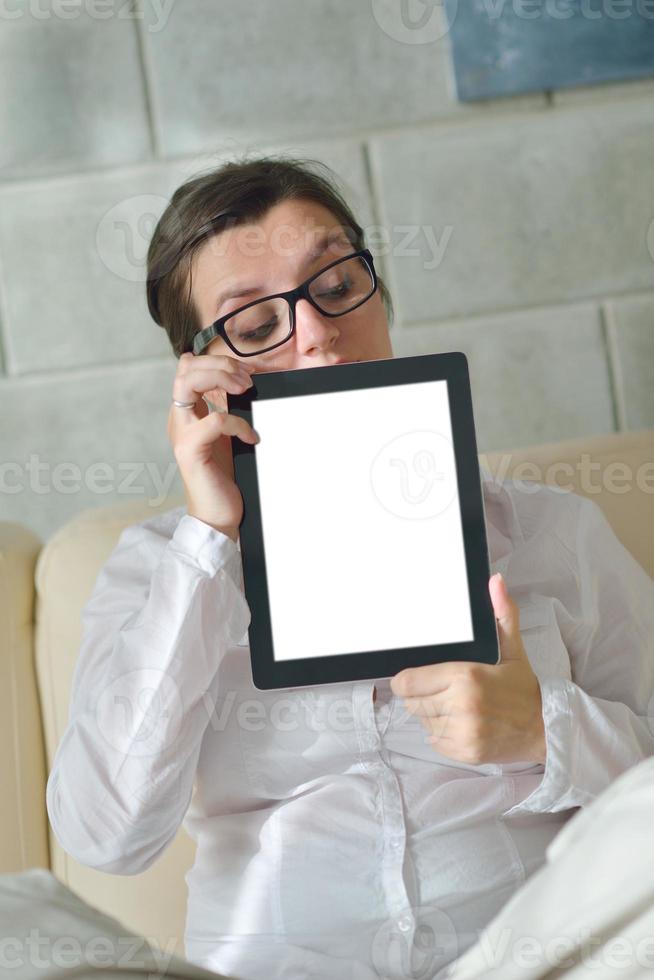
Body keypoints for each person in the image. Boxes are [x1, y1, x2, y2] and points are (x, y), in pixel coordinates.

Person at [46, 156, 654, 980]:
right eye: (257, 327)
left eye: (335, 285)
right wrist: (209, 541)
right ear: (200, 376)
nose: (318, 333)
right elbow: (105, 838)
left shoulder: (553, 533)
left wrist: (546, 732)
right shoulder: (156, 570)